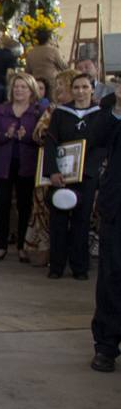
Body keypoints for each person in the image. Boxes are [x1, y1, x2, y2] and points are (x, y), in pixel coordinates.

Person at [44, 72, 107, 280]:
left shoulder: (101, 114)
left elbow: (102, 147)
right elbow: (51, 143)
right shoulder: (60, 113)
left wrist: (86, 170)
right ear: (71, 90)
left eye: (85, 87)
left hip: (86, 176)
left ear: (92, 89)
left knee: (82, 221)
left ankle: (80, 267)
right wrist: (53, 171)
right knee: (58, 220)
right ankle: (56, 266)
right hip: (61, 175)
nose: (80, 91)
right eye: (76, 87)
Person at [0, 72, 43, 263]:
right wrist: (7, 135)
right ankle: (1, 246)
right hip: (3, 164)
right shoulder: (1, 110)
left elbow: (42, 138)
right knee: (2, 204)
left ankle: (22, 246)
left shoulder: (37, 111)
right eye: (16, 87)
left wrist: (26, 137)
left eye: (23, 87)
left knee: (24, 206)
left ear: (31, 90)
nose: (19, 90)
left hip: (27, 165)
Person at [90, 91, 121, 372]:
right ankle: (106, 346)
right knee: (112, 275)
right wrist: (118, 107)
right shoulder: (111, 103)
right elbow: (97, 138)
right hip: (117, 204)